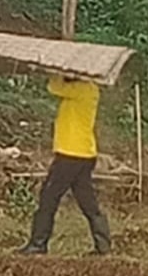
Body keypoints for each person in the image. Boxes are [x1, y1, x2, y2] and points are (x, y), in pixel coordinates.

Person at [18, 75, 111, 256]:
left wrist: (55, 72)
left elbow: (54, 87)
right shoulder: (89, 89)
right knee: (87, 201)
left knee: (49, 196)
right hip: (84, 153)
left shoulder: (82, 89)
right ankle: (103, 246)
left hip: (71, 153)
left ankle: (38, 243)